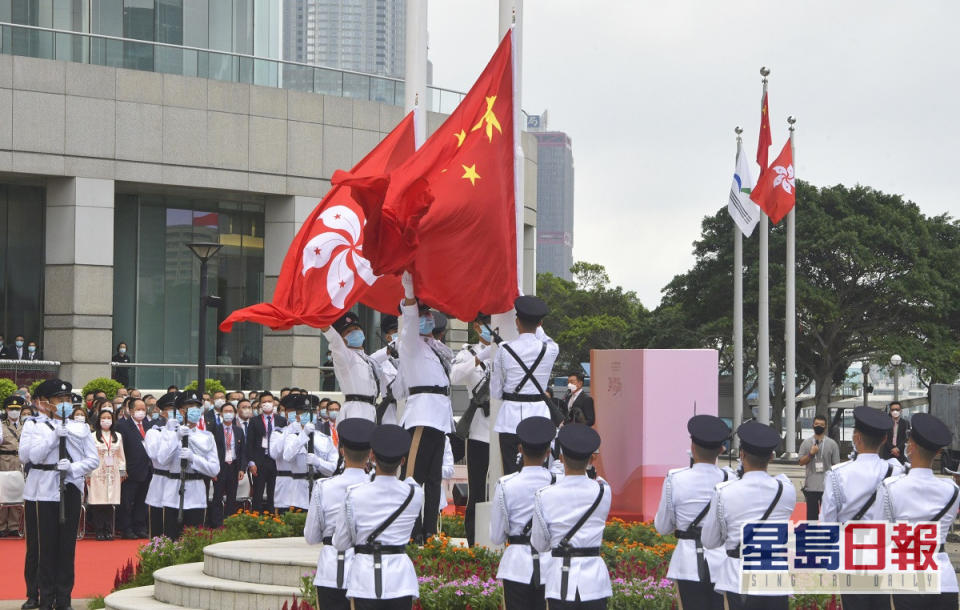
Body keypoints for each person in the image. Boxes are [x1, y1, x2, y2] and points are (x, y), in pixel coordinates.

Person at [19, 379, 99, 610]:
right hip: (42, 490)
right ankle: (45, 598)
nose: (64, 403)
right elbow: (29, 456)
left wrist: (73, 468)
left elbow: (92, 460)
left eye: (67, 399)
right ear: (45, 403)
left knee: (66, 547)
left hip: (70, 487)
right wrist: (54, 437)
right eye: (58, 399)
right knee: (44, 547)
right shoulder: (34, 426)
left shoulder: (80, 427)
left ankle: (64, 599)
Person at [701, 422, 796, 610]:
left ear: (741, 455)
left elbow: (710, 541)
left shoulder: (724, 492)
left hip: (738, 578)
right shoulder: (787, 490)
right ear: (771, 456)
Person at [333, 424, 424, 609]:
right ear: (403, 460)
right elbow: (410, 482)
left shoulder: (354, 494)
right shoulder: (415, 493)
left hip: (364, 579)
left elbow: (341, 543)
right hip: (400, 580)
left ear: (372, 456)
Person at [821, 407, 904, 610]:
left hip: (850, 554)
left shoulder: (837, 474)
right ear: (884, 439)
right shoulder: (896, 471)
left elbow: (828, 522)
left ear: (856, 438)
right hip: (883, 554)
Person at [875, 413, 960, 610]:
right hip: (944, 578)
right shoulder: (952, 490)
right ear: (938, 452)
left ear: (910, 446)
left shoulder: (890, 487)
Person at [654, 415, 734, 610]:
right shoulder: (730, 478)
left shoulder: (676, 478)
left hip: (687, 562)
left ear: (692, 446)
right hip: (721, 561)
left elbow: (662, 527)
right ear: (721, 449)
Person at [397, 271, 454, 542]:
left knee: (433, 479)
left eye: (428, 314)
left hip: (439, 417)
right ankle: (411, 530)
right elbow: (408, 321)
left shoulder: (435, 347)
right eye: (422, 314)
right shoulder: (409, 344)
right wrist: (410, 293)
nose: (427, 318)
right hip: (421, 416)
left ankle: (429, 530)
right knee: (413, 477)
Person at [531, 423, 611, 609]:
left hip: (559, 581)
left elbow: (540, 544)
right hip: (594, 582)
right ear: (592, 458)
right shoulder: (604, 490)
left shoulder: (544, 495)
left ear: (560, 458)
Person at [305, 418, 377, 610]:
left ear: (341, 450)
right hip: (368, 571)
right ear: (370, 453)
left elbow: (311, 537)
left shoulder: (324, 487)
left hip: (332, 569)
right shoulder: (374, 487)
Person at [491, 416, 557, 610]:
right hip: (550, 564)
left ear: (520, 449)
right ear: (548, 453)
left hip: (516, 565)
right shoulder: (557, 483)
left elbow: (496, 537)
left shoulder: (506, 484)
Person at [491, 295, 560, 476]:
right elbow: (545, 337)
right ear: (540, 323)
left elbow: (495, 391)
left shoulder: (504, 349)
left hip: (509, 419)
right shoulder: (551, 349)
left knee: (510, 474)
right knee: (539, 473)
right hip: (539, 417)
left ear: (517, 321)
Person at [450, 312, 493, 546]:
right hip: (478, 429)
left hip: (502, 427)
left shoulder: (507, 350)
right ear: (477, 327)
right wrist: (481, 357)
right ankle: (475, 540)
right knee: (477, 488)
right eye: (486, 324)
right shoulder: (468, 352)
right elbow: (455, 376)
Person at [159, 390, 219, 539]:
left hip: (196, 491)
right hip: (174, 491)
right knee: (171, 538)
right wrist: (176, 438)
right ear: (181, 411)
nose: (194, 411)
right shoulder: (169, 433)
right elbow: (162, 459)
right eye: (190, 407)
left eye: (197, 407)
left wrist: (194, 459)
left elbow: (214, 469)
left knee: (194, 538)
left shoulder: (206, 436)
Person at [322, 311, 385, 422]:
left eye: (357, 328)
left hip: (370, 410)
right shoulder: (344, 356)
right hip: (355, 412)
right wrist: (322, 323)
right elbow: (334, 339)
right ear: (342, 339)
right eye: (349, 331)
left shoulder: (367, 359)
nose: (355, 332)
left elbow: (383, 354)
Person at [281, 394, 338, 512]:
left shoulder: (325, 439)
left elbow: (332, 468)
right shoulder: (292, 437)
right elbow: (287, 456)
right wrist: (304, 435)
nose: (309, 415)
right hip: (298, 496)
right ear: (297, 417)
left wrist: (318, 462)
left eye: (312, 412)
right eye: (304, 412)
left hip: (320, 492)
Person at [115, 398, 153, 539]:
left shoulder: (148, 425)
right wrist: (122, 469)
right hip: (130, 470)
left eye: (143, 409)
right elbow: (120, 450)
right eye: (138, 409)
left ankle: (140, 527)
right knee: (127, 501)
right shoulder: (122, 426)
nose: (141, 412)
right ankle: (126, 528)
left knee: (142, 501)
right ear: (130, 410)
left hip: (147, 468)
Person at [87, 408, 126, 540]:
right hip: (97, 472)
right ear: (99, 420)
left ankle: (109, 530)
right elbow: (88, 455)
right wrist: (87, 474)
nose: (106, 420)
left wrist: (122, 471)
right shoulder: (92, 436)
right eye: (103, 418)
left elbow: (121, 456)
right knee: (98, 503)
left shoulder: (118, 436)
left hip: (113, 473)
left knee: (110, 503)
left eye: (109, 417)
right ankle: (99, 530)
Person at [246, 391, 285, 513]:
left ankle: (273, 518)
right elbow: (250, 443)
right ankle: (256, 519)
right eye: (264, 402)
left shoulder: (281, 420)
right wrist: (251, 463)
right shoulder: (254, 421)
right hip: (259, 461)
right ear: (260, 405)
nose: (267, 404)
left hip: (276, 461)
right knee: (258, 492)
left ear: (274, 403)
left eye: (269, 401)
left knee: (273, 492)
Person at [145, 392, 177, 539]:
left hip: (179, 480)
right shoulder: (154, 431)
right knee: (158, 524)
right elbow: (156, 456)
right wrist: (170, 434)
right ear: (163, 412)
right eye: (171, 409)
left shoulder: (184, 431)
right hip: (161, 480)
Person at [208, 401, 246, 527]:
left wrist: (242, 469)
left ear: (235, 414)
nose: (228, 414)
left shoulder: (239, 430)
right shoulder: (215, 429)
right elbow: (210, 450)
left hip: (233, 466)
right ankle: (216, 524)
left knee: (232, 496)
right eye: (226, 411)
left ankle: (230, 522)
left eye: (231, 411)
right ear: (221, 414)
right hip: (220, 466)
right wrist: (212, 470)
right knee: (217, 496)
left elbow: (242, 451)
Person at [797, 413, 840, 521]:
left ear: (825, 427)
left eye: (821, 425)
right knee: (811, 518)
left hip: (827, 487)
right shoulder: (806, 443)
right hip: (811, 486)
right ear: (812, 425)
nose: (818, 427)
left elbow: (836, 466)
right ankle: (812, 537)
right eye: (816, 424)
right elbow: (801, 462)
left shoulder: (832, 444)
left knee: (828, 517)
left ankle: (828, 537)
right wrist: (811, 454)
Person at [369, 315, 401, 425]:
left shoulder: (410, 356)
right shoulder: (381, 357)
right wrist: (389, 350)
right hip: (390, 408)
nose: (400, 334)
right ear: (388, 337)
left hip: (409, 406)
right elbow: (371, 361)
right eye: (396, 331)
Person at [0, 395, 25, 537]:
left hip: (19, 461)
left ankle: (15, 525)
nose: (14, 411)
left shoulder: (26, 425)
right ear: (6, 410)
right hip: (5, 459)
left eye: (17, 409)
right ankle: (2, 526)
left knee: (17, 492)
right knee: (3, 493)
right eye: (11, 409)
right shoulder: (2, 425)